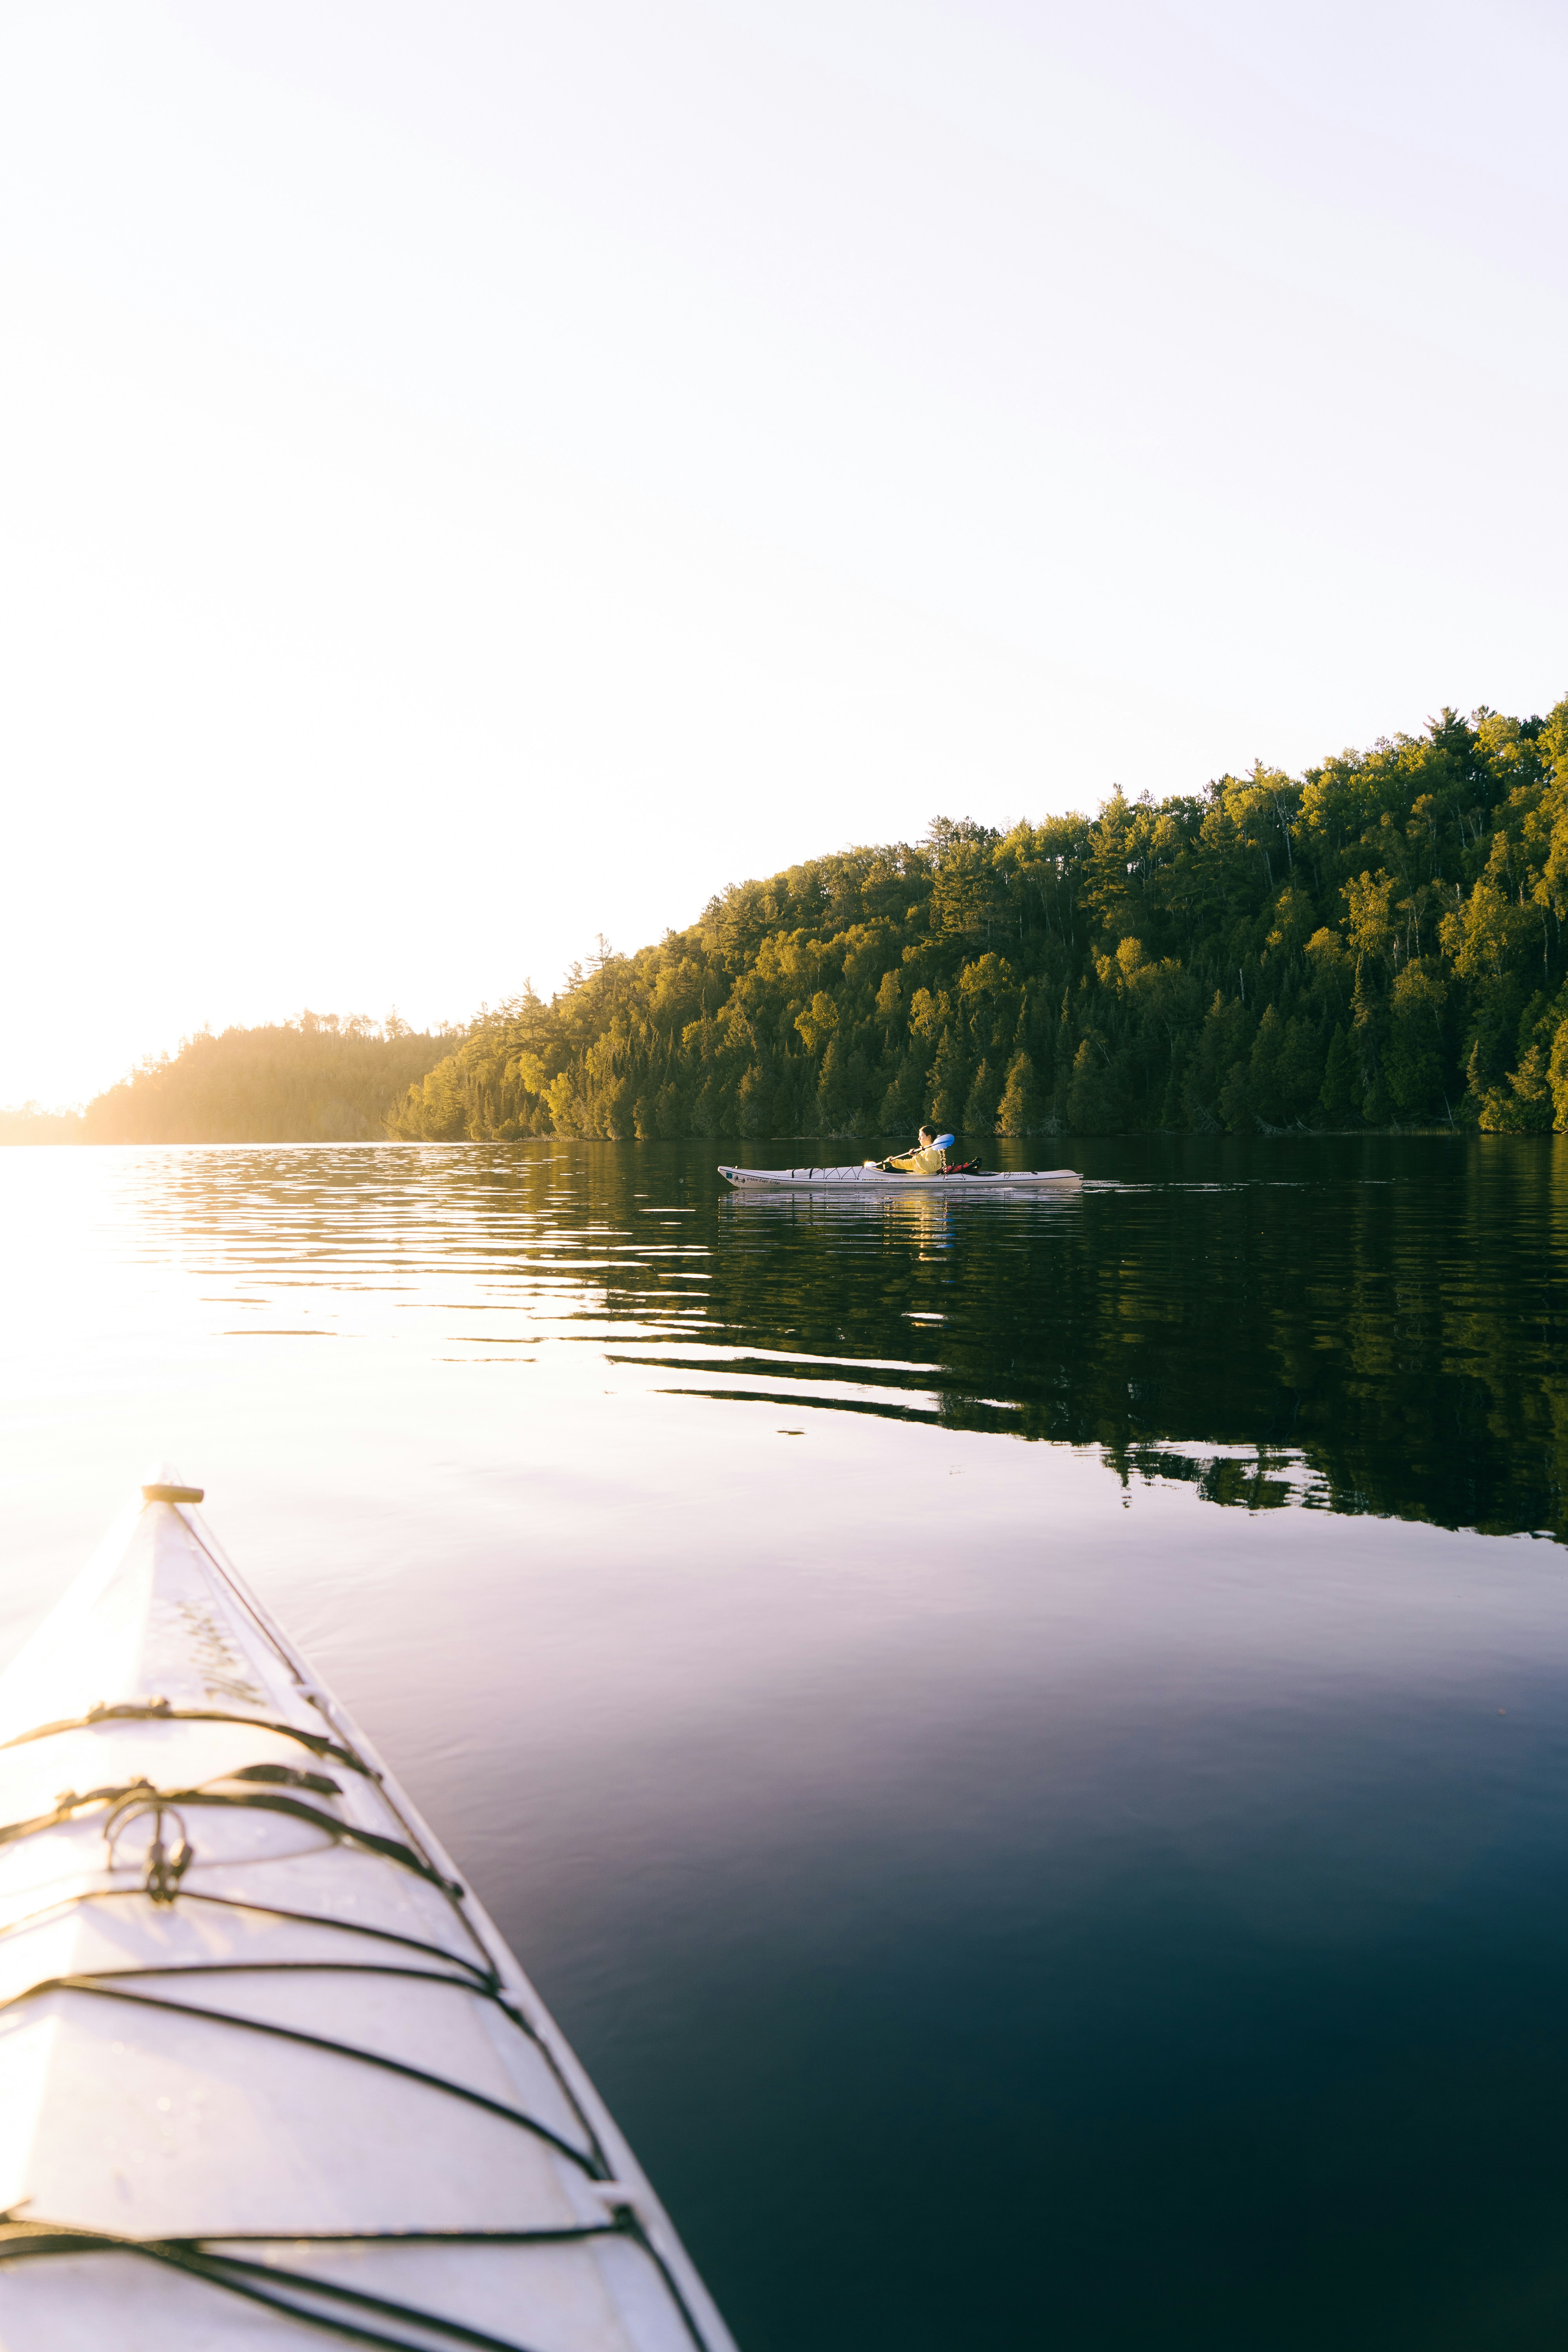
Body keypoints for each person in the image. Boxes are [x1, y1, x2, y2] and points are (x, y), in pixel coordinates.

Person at [882, 1123, 948, 1175]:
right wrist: (894, 1162)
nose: (919, 1139)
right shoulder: (925, 1151)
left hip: (927, 1178)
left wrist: (917, 1155)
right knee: (890, 1169)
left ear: (929, 1137)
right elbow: (911, 1164)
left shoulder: (932, 1151)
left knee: (889, 1170)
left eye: (921, 1137)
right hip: (920, 1176)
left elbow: (930, 1169)